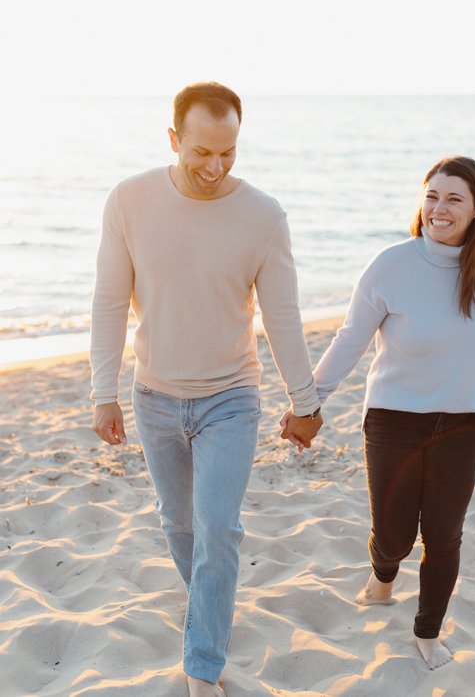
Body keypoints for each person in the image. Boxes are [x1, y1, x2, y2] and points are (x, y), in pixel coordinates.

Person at [89, 82, 323, 697]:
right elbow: (110, 302)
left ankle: (202, 668)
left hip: (231, 397)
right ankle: (211, 606)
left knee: (217, 529)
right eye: (201, 152)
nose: (215, 167)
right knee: (179, 525)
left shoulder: (264, 217)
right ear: (173, 140)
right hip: (153, 396)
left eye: (229, 153)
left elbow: (283, 318)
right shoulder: (129, 201)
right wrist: (102, 390)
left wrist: (306, 403)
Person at [281, 155, 475, 671]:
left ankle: (428, 632)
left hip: (464, 423)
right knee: (395, 536)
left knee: (444, 535)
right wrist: (309, 405)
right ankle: (382, 577)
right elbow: (350, 339)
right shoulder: (391, 265)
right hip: (394, 420)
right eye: (432, 196)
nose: (439, 209)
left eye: (454, 199)